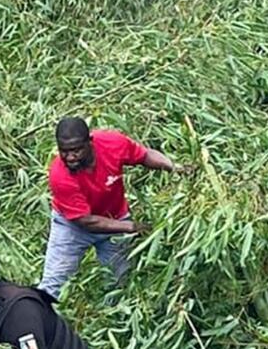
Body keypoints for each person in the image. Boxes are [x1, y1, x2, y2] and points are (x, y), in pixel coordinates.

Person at [39, 116, 190, 300]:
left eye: (76, 150)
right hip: (72, 227)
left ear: (90, 142)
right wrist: (131, 227)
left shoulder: (112, 144)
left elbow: (144, 155)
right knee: (53, 286)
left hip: (115, 216)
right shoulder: (59, 176)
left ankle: (114, 314)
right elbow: (86, 221)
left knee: (122, 282)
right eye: (65, 151)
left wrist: (173, 167)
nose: (70, 157)